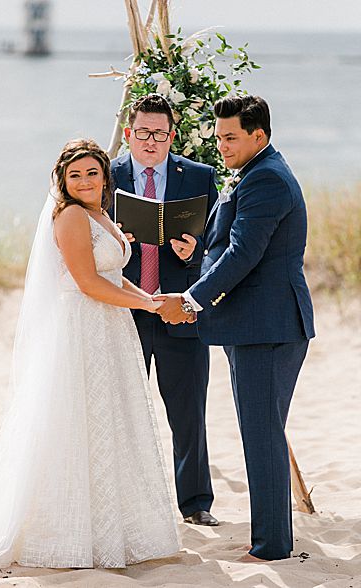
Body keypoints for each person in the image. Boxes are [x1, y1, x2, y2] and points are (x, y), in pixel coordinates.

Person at [0, 138, 180, 570]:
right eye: (75, 175)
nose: (84, 181)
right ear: (64, 180)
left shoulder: (103, 214)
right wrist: (144, 306)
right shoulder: (71, 218)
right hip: (81, 328)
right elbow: (86, 282)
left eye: (92, 173)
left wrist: (154, 301)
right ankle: (67, 532)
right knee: (76, 422)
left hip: (111, 327)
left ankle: (115, 527)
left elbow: (115, 277)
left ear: (105, 176)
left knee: (112, 421)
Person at [156, 95, 314, 562]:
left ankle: (271, 547)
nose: (221, 145)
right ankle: (270, 537)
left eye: (230, 137)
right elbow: (232, 246)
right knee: (261, 432)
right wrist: (199, 249)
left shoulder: (265, 178)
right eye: (219, 135)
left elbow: (244, 255)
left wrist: (190, 300)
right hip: (255, 326)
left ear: (258, 136)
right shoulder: (256, 171)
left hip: (267, 327)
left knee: (262, 436)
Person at [112, 93, 221, 527]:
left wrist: (194, 252)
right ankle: (125, 503)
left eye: (159, 133)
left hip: (182, 312)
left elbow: (219, 246)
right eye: (143, 132)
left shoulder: (198, 176)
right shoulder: (108, 174)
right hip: (125, 313)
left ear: (172, 136)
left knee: (189, 413)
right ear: (128, 134)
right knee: (121, 410)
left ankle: (195, 504)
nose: (151, 141)